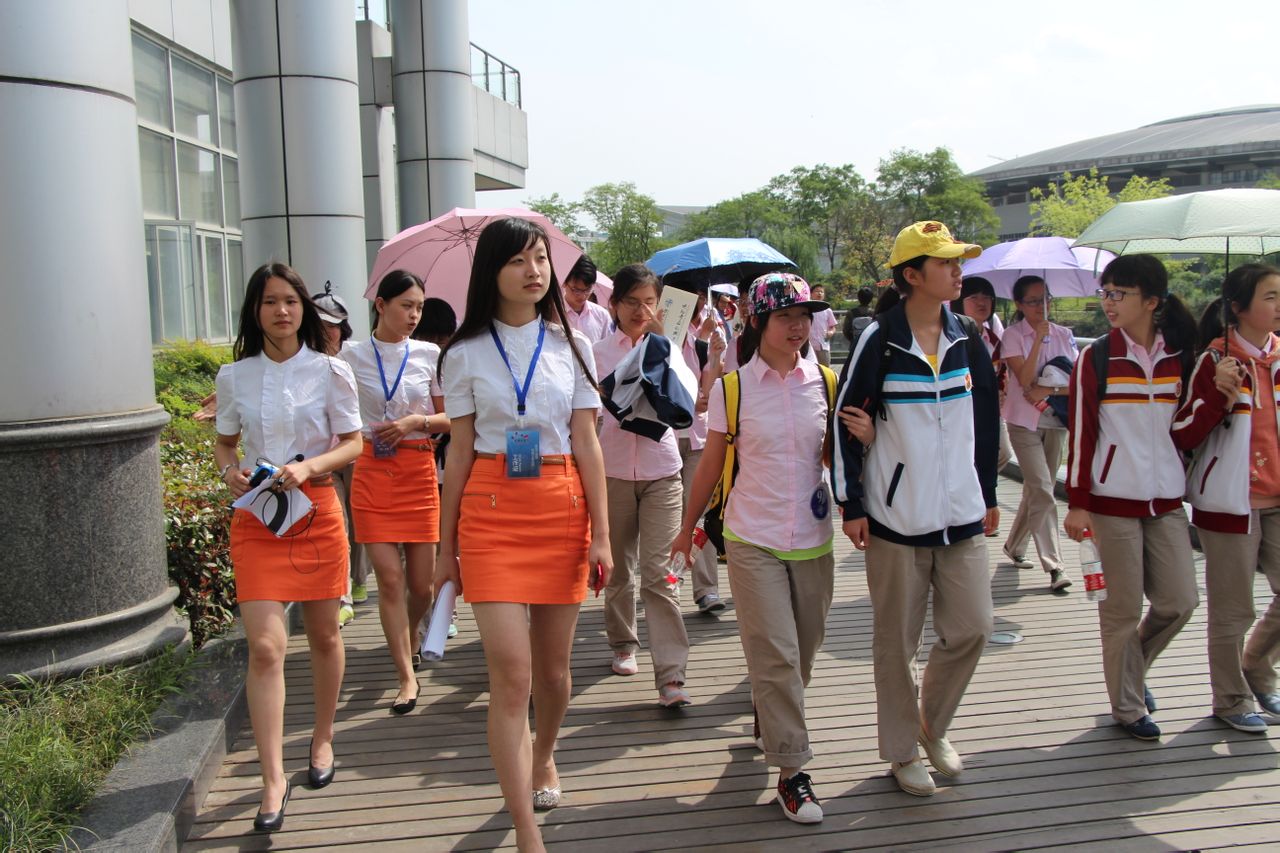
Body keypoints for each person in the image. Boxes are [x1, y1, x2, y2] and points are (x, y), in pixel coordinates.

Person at [436, 216, 612, 852]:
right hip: (488, 513)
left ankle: (544, 755)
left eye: (541, 259)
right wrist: (444, 547)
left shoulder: (574, 347)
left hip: (562, 509)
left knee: (555, 676)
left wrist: (602, 535)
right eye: (519, 261)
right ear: (493, 271)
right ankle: (526, 830)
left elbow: (589, 444)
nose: (534, 271)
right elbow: (457, 453)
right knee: (512, 676)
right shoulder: (463, 353)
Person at [833, 221, 999, 797]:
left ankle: (933, 726)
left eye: (959, 261)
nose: (959, 271)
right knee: (896, 645)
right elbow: (844, 421)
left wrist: (990, 493)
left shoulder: (967, 335)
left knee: (973, 628)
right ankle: (902, 751)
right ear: (912, 275)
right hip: (897, 518)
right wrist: (851, 503)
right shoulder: (879, 339)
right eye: (946, 262)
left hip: (962, 514)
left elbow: (985, 419)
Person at [671, 272, 839, 824]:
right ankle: (793, 773)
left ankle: (769, 714)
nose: (798, 326)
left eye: (805, 316)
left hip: (814, 539)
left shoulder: (830, 383)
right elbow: (713, 465)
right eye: (786, 316)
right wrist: (686, 527)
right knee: (777, 656)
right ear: (759, 321)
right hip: (751, 537)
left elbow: (838, 459)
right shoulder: (732, 389)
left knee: (803, 653)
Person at [213, 262, 363, 832]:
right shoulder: (235, 376)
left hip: (318, 512)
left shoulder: (330, 371)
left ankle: (322, 739)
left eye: (291, 301)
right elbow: (226, 444)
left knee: (324, 635)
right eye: (270, 301)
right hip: (258, 519)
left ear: (305, 309)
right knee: (267, 649)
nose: (282, 311)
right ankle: (271, 777)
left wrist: (309, 467)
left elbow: (353, 444)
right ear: (256, 310)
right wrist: (231, 471)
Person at [1064, 254, 1200, 742]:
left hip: (1165, 501)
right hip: (1110, 500)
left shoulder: (1180, 356)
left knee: (1180, 601)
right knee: (1119, 612)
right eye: (1106, 293)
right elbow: (1082, 433)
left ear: (1152, 301)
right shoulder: (1096, 356)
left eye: (1119, 294)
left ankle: (1133, 669)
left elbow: (1187, 429)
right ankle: (1127, 705)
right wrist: (1078, 501)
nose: (1108, 303)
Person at [1172, 263, 1280, 733]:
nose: (1279, 305)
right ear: (1238, 307)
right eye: (1270, 296)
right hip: (1229, 502)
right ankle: (1231, 698)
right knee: (1233, 608)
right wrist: (1217, 396)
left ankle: (1256, 665)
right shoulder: (1217, 359)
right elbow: (1184, 432)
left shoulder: (1278, 356)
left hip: (1277, 496)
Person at [341, 270, 449, 715]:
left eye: (419, 307)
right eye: (406, 306)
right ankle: (406, 673)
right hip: (371, 467)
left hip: (418, 468)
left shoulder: (429, 353)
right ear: (380, 305)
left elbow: (452, 418)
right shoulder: (349, 356)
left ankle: (402, 636)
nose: (414, 315)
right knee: (389, 578)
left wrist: (414, 422)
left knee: (421, 586)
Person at [594, 265, 695, 705]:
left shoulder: (671, 349)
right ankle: (622, 641)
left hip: (662, 470)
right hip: (611, 470)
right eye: (632, 301)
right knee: (618, 568)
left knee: (661, 573)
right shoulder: (594, 352)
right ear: (614, 305)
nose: (641, 310)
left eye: (649, 301)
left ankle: (671, 675)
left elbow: (690, 400)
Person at [998, 275, 1078, 590]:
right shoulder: (1013, 336)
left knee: (1035, 489)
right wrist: (1035, 344)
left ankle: (1015, 546)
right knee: (1043, 486)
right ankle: (1055, 566)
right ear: (1019, 304)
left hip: (1055, 419)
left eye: (1045, 299)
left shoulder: (1065, 335)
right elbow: (1024, 378)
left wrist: (1050, 388)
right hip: (1022, 420)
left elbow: (1075, 381)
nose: (1041, 307)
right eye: (1033, 301)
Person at [309, 284, 370, 628]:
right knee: (339, 524)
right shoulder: (300, 361)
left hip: (358, 450)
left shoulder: (356, 355)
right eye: (319, 323)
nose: (326, 331)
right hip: (325, 457)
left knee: (358, 520)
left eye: (333, 324)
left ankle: (359, 579)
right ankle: (342, 593)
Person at [679, 288, 728, 614]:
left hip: (698, 436)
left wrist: (713, 356)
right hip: (659, 440)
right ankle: (667, 580)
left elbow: (713, 389)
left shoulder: (706, 335)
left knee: (699, 511)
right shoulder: (650, 338)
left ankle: (707, 589)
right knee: (669, 518)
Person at [952, 276, 1014, 477]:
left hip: (991, 409)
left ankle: (977, 490)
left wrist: (1000, 390)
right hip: (961, 410)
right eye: (974, 297)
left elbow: (1001, 372)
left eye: (987, 297)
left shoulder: (994, 338)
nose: (982, 302)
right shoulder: (952, 337)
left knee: (1003, 452)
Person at [561, 254, 612, 343]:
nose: (582, 296)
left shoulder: (602, 316)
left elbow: (608, 350)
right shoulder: (553, 314)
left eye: (587, 290)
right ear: (565, 282)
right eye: (576, 290)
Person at [808, 284, 838, 366]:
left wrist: (831, 332)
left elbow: (833, 326)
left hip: (823, 345)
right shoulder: (807, 309)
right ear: (811, 294)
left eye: (821, 292)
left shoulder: (827, 310)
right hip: (809, 345)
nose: (819, 293)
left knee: (825, 369)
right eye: (817, 291)